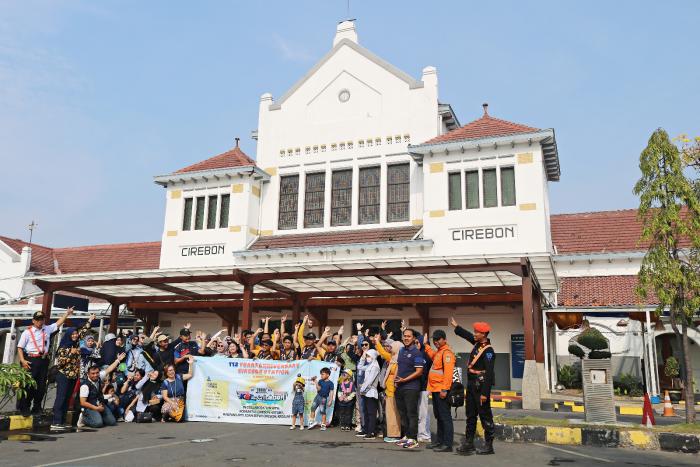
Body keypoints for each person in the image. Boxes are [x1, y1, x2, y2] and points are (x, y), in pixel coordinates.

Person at [17, 307, 76, 416]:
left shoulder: (47, 329)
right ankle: (24, 407)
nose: (40, 321)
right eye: (38, 319)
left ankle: (36, 407)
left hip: (43, 360)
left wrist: (67, 313)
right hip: (31, 360)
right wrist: (22, 360)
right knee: (28, 385)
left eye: (42, 319)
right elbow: (20, 347)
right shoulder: (27, 332)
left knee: (41, 386)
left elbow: (58, 323)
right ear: (33, 321)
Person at [451, 318, 496, 455]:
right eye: (475, 331)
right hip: (471, 386)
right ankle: (469, 443)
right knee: (470, 415)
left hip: (481, 387)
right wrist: (457, 326)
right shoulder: (477, 344)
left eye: (477, 332)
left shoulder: (488, 351)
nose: (474, 334)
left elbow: (488, 375)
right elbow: (467, 336)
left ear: (484, 334)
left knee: (485, 416)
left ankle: (489, 445)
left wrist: (484, 393)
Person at [391, 328, 425, 449]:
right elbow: (398, 367)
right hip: (399, 386)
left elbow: (419, 371)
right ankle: (407, 435)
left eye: (409, 336)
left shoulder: (417, 353)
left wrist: (404, 380)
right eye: (404, 336)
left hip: (411, 387)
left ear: (414, 338)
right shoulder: (401, 351)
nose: (406, 338)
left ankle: (413, 439)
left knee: (411, 413)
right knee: (402, 413)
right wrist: (395, 382)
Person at [423, 329, 456, 452]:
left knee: (445, 417)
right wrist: (426, 345)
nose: (436, 342)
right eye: (434, 340)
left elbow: (448, 374)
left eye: (438, 339)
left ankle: (447, 444)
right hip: (436, 389)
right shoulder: (439, 352)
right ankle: (440, 441)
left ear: (444, 339)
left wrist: (444, 389)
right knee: (439, 417)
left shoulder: (447, 353)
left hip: (441, 390)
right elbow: (431, 354)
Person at [51, 325, 88, 429]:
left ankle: (62, 420)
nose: (75, 335)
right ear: (68, 335)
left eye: (76, 333)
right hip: (63, 375)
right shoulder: (63, 347)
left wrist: (90, 320)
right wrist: (71, 354)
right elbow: (60, 363)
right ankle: (56, 421)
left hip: (73, 376)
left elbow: (83, 332)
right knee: (61, 397)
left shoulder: (75, 344)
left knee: (67, 398)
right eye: (73, 334)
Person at [79, 362, 121, 428]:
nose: (95, 375)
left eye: (97, 373)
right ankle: (84, 418)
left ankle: (98, 416)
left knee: (112, 422)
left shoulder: (98, 377)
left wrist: (118, 360)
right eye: (93, 373)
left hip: (100, 403)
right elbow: (83, 402)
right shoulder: (85, 385)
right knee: (98, 424)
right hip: (90, 407)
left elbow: (109, 369)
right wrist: (96, 408)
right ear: (88, 374)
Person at [375, 340, 401, 442]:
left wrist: (377, 343)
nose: (390, 348)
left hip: (394, 390)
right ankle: (391, 434)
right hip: (389, 390)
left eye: (392, 347)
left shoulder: (398, 360)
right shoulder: (393, 358)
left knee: (394, 414)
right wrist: (377, 343)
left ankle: (395, 434)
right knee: (390, 413)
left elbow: (383, 352)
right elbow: (383, 352)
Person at [160, 357, 195, 422]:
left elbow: (190, 375)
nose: (172, 372)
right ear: (166, 372)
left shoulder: (179, 377)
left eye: (172, 370)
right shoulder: (165, 382)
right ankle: (166, 415)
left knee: (180, 419)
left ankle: (172, 416)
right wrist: (172, 403)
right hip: (170, 401)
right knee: (168, 408)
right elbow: (164, 396)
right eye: (169, 370)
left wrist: (191, 364)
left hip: (180, 401)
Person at [357, 349, 380, 440]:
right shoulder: (370, 365)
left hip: (371, 392)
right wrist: (362, 358)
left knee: (371, 413)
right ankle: (366, 430)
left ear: (373, 356)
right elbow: (359, 367)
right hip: (366, 392)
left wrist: (362, 389)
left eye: (368, 356)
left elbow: (369, 381)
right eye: (367, 356)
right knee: (366, 412)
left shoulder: (375, 366)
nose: (367, 358)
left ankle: (371, 432)